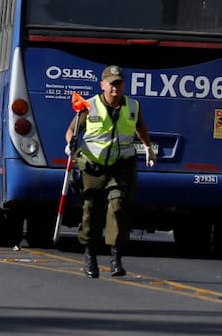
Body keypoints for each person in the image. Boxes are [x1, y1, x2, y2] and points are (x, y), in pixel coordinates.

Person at [65, 65, 156, 279]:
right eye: (112, 83)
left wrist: (149, 148)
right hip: (94, 167)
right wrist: (71, 145)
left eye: (119, 83)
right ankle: (90, 256)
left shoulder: (133, 106)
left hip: (120, 166)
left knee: (117, 206)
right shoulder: (89, 106)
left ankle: (116, 258)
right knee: (91, 209)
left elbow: (140, 127)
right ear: (103, 85)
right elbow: (71, 130)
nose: (116, 87)